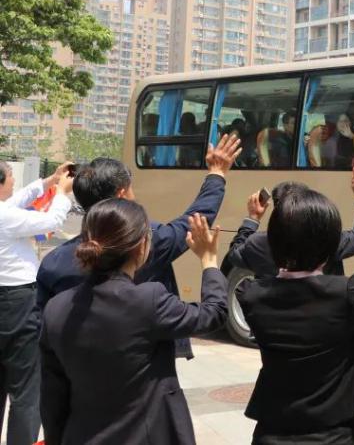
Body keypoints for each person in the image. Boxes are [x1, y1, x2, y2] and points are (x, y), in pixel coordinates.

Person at [238, 158, 354, 444]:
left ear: (273, 241)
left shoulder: (251, 296)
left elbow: (239, 252)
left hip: (270, 435)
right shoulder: (349, 296)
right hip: (335, 437)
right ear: (330, 245)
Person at [36, 134, 241, 361]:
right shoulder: (148, 248)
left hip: (78, 372)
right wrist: (216, 174)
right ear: (122, 194)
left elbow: (40, 334)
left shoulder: (53, 263)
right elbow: (195, 221)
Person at [40, 203, 227, 445]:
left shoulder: (56, 308)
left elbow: (52, 397)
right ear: (141, 246)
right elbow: (214, 313)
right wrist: (209, 261)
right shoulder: (149, 300)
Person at [0, 161, 75, 445]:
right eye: (10, 177)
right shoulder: (6, 216)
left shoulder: (5, 211)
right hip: (17, 303)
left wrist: (49, 181)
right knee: (26, 389)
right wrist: (62, 193)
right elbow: (52, 222)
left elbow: (17, 200)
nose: (13, 182)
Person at [227, 168, 354, 277]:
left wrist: (253, 218)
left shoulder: (258, 243)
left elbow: (234, 254)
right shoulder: (326, 240)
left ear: (277, 210)